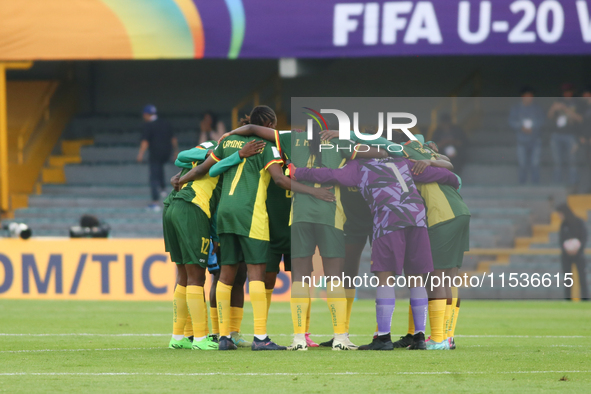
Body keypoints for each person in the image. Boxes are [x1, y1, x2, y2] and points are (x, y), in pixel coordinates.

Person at [290, 150, 460, 351]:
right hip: (417, 217)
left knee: (385, 277)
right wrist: (445, 172)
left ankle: (383, 338)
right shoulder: (402, 161)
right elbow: (449, 177)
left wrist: (298, 172)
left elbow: (332, 175)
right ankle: (419, 337)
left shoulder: (359, 165)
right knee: (416, 277)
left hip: (389, 218)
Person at [178, 105, 290, 351]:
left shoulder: (227, 141)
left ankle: (224, 336)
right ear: (269, 125)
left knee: (226, 274)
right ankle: (261, 338)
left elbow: (211, 169)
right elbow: (280, 180)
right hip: (250, 213)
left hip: (224, 213)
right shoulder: (267, 146)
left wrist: (181, 179)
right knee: (256, 274)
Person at [137, 105, 178, 211]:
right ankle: (163, 189)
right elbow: (173, 139)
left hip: (155, 153)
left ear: (146, 114)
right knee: (160, 169)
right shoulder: (165, 123)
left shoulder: (148, 125)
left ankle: (155, 202)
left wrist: (141, 154)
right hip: (166, 153)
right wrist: (176, 151)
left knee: (154, 176)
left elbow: (145, 141)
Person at [548, 83, 582, 190]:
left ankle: (573, 186)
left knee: (572, 161)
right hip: (557, 135)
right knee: (557, 162)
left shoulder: (577, 102)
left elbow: (580, 119)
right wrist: (553, 108)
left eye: (569, 91)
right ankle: (556, 186)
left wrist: (566, 109)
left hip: (571, 135)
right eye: (564, 92)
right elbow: (549, 117)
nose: (566, 93)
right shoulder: (557, 101)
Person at [508, 86, 546, 184]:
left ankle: (536, 185)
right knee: (522, 164)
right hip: (521, 141)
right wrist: (521, 127)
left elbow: (542, 121)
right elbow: (511, 121)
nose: (529, 98)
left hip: (535, 140)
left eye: (531, 96)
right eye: (527, 96)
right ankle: (522, 185)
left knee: (535, 164)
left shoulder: (537, 108)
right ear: (522, 96)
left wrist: (533, 127)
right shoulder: (516, 108)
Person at [556, 203, 589, 300]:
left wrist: (577, 249)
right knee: (567, 278)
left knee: (582, 277)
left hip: (579, 255)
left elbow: (584, 237)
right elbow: (561, 240)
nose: (559, 216)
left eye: (560, 213)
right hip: (566, 256)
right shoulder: (563, 225)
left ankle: (585, 299)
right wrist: (566, 249)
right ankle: (567, 299)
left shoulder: (579, 222)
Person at [579, 87, 591, 192]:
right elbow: (583, 125)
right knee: (586, 166)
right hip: (586, 142)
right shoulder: (584, 108)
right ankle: (585, 190)